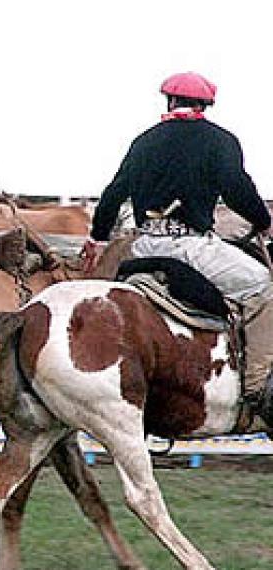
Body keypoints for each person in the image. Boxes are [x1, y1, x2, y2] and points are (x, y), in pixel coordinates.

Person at [88, 71, 273, 426]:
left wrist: (97, 238)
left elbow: (114, 193)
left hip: (141, 248)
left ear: (170, 101)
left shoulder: (145, 141)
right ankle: (256, 385)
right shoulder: (220, 141)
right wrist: (263, 221)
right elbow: (238, 190)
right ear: (205, 105)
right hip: (190, 247)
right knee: (262, 286)